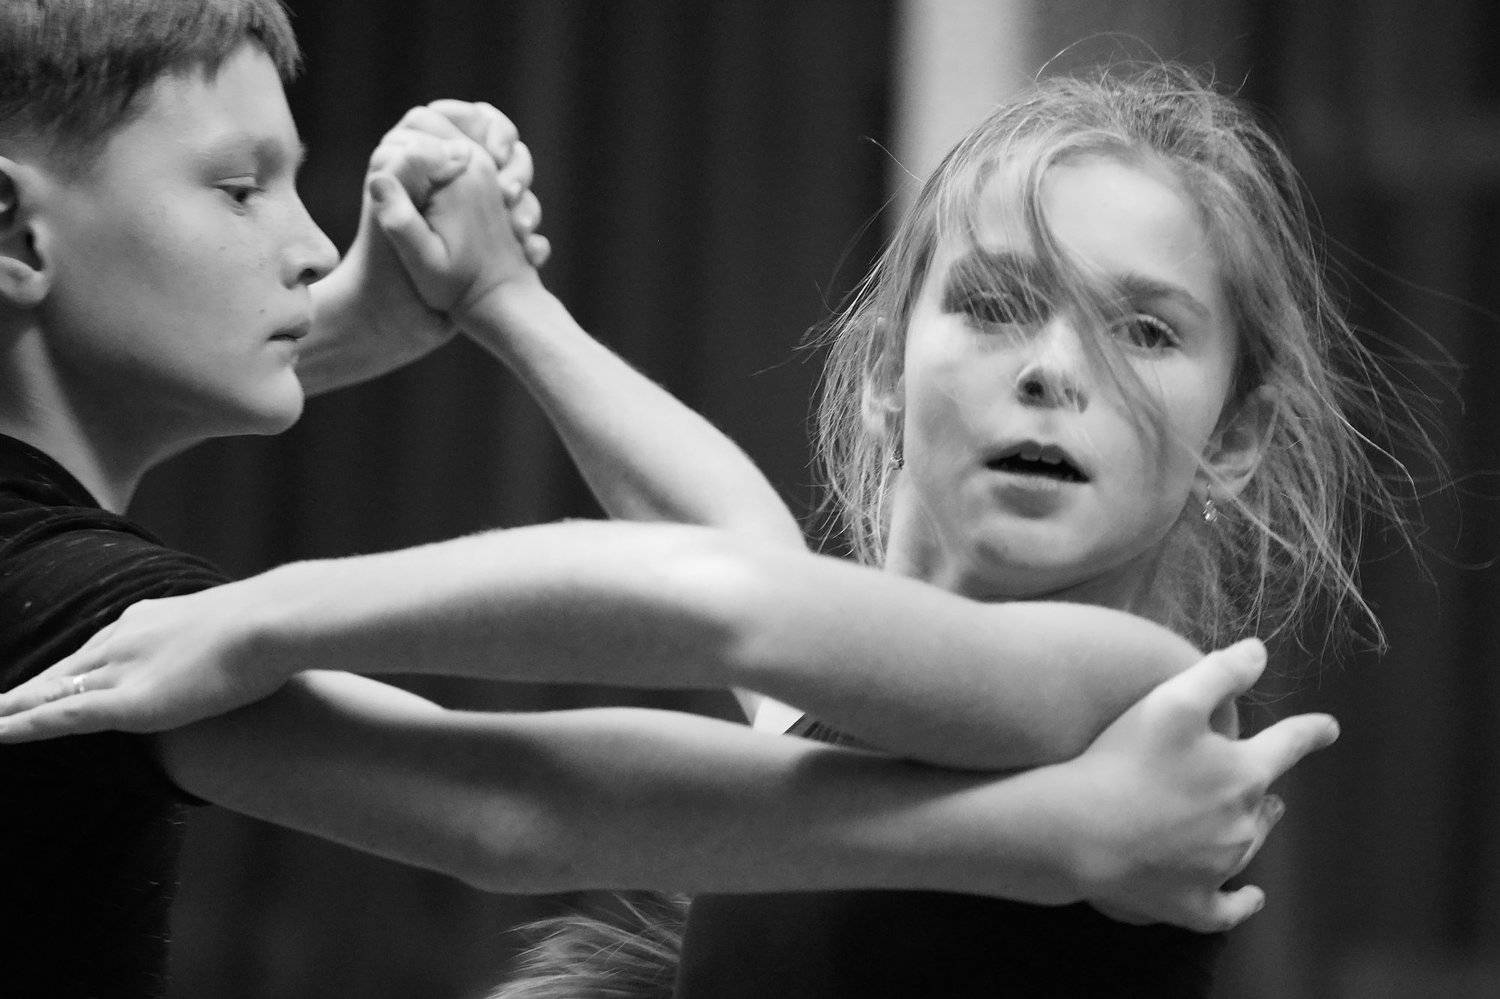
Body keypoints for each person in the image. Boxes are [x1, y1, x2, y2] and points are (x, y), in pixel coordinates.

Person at [0, 6, 1337, 994]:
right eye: (993, 306)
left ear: (1234, 436)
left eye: (1144, 333)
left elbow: (732, 601)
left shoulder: (1138, 697)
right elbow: (729, 552)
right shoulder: (881, 724)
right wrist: (507, 307)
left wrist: (267, 612)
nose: (1054, 370)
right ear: (884, 376)